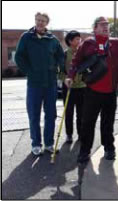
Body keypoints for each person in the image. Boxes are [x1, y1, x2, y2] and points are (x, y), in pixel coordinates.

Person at [65, 17, 118, 163]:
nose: (106, 27)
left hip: (111, 91)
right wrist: (70, 76)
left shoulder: (117, 43)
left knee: (108, 122)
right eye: (102, 25)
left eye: (107, 25)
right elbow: (76, 61)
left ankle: (109, 148)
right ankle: (84, 151)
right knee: (87, 122)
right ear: (95, 28)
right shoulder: (87, 43)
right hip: (92, 90)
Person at [15, 12, 65, 156]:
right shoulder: (26, 37)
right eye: (38, 20)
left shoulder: (52, 39)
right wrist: (29, 71)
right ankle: (36, 144)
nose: (40, 23)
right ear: (35, 21)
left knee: (51, 114)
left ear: (47, 23)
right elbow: (19, 56)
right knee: (34, 115)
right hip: (34, 83)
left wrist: (58, 67)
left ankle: (49, 144)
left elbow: (60, 56)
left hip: (50, 83)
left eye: (43, 21)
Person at [60, 30, 86, 144]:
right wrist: (65, 79)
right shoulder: (65, 54)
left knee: (82, 113)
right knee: (69, 112)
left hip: (82, 87)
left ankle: (81, 134)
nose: (79, 41)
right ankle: (69, 134)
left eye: (79, 38)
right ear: (70, 41)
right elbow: (60, 71)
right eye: (76, 39)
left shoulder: (84, 53)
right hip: (69, 88)